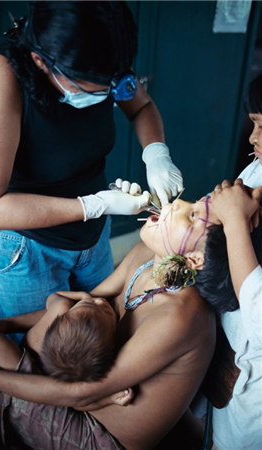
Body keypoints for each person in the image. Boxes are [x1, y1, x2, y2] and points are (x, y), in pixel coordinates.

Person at [0, 182, 261, 450]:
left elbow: (81, 395)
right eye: (188, 203)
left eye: (193, 216)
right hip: (87, 395)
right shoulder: (147, 254)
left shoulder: (180, 315)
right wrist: (5, 324)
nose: (175, 204)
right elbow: (84, 304)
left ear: (195, 259)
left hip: (99, 433)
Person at [0, 0, 183, 343]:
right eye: (90, 91)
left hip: (91, 238)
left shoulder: (102, 48)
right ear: (41, 62)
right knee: (40, 359)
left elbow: (141, 105)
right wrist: (93, 205)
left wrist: (156, 154)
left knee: (95, 344)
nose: (108, 97)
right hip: (24, 250)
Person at [197, 73, 262, 450]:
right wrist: (225, 206)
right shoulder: (255, 168)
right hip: (229, 347)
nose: (252, 137)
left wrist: (235, 222)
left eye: (261, 126)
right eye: (253, 123)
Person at [0, 289, 119, 382]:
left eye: (107, 311)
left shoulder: (61, 306)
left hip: (23, 364)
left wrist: (84, 298)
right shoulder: (62, 306)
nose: (100, 301)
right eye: (88, 303)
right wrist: (85, 297)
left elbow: (54, 297)